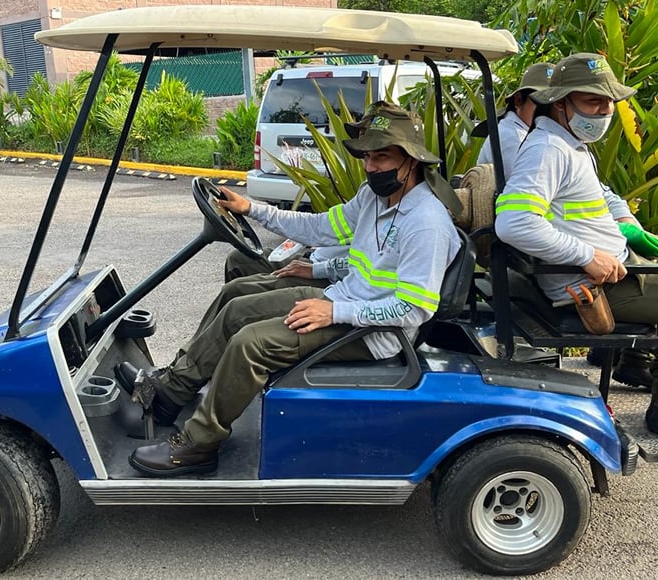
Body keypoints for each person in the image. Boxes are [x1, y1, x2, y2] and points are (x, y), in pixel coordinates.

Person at [116, 101, 462, 476]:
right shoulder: (376, 198)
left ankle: (199, 445)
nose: (371, 167)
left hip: (374, 332)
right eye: (367, 156)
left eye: (382, 157)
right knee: (236, 306)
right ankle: (172, 392)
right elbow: (322, 230)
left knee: (251, 343)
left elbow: (413, 308)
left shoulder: (426, 222)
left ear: (411, 159)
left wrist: (333, 311)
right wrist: (252, 209)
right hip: (346, 300)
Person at [493, 52, 658, 438]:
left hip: (613, 270)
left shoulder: (568, 141)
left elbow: (598, 198)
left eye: (609, 102)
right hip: (593, 285)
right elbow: (514, 223)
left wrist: (626, 227)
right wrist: (587, 255)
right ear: (561, 103)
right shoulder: (548, 151)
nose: (605, 111)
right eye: (593, 101)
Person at [475, 62, 554, 181]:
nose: (547, 111)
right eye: (541, 103)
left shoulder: (519, 131)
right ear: (518, 100)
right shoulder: (512, 137)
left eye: (552, 105)